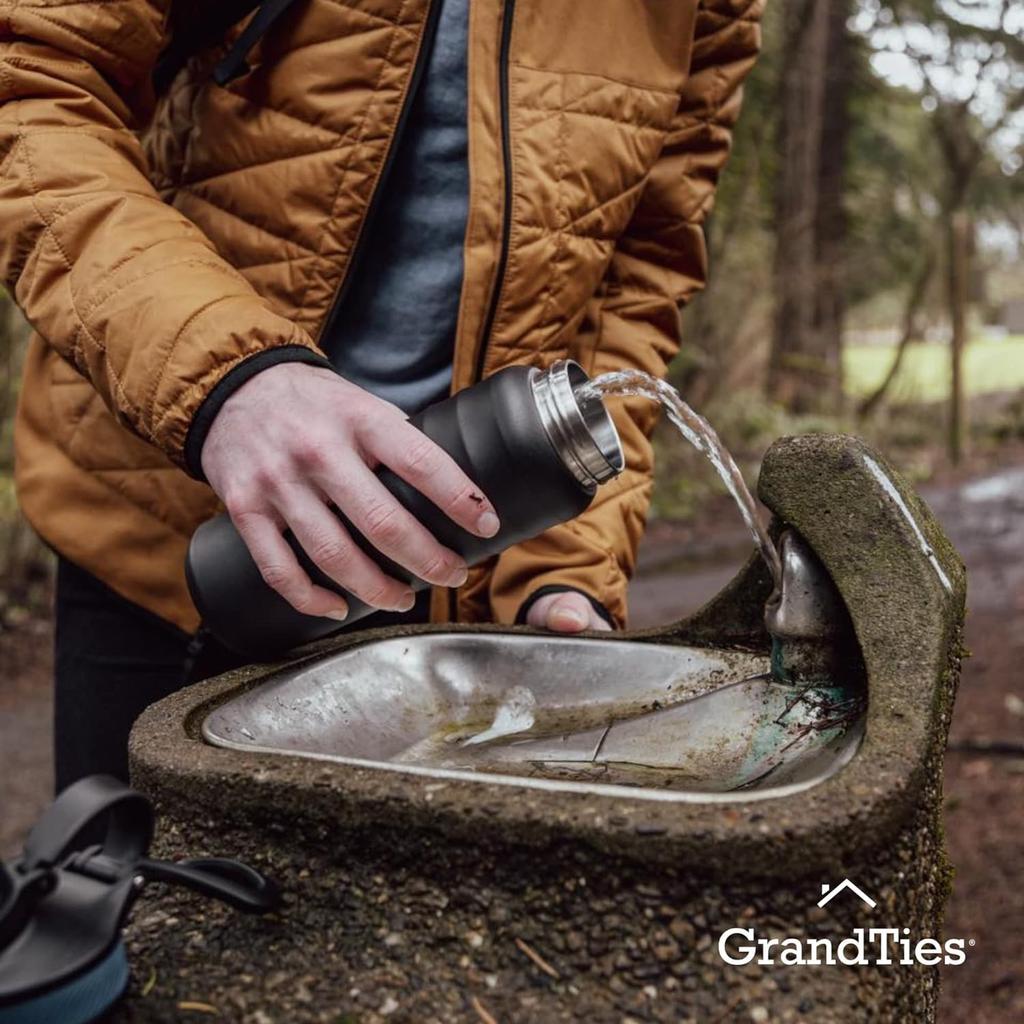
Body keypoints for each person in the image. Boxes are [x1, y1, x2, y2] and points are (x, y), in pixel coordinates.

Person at [0, 0, 763, 789]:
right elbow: (31, 86)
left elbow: (640, 271)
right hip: (167, 524)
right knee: (124, 858)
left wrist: (565, 562)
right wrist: (226, 378)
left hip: (456, 572)